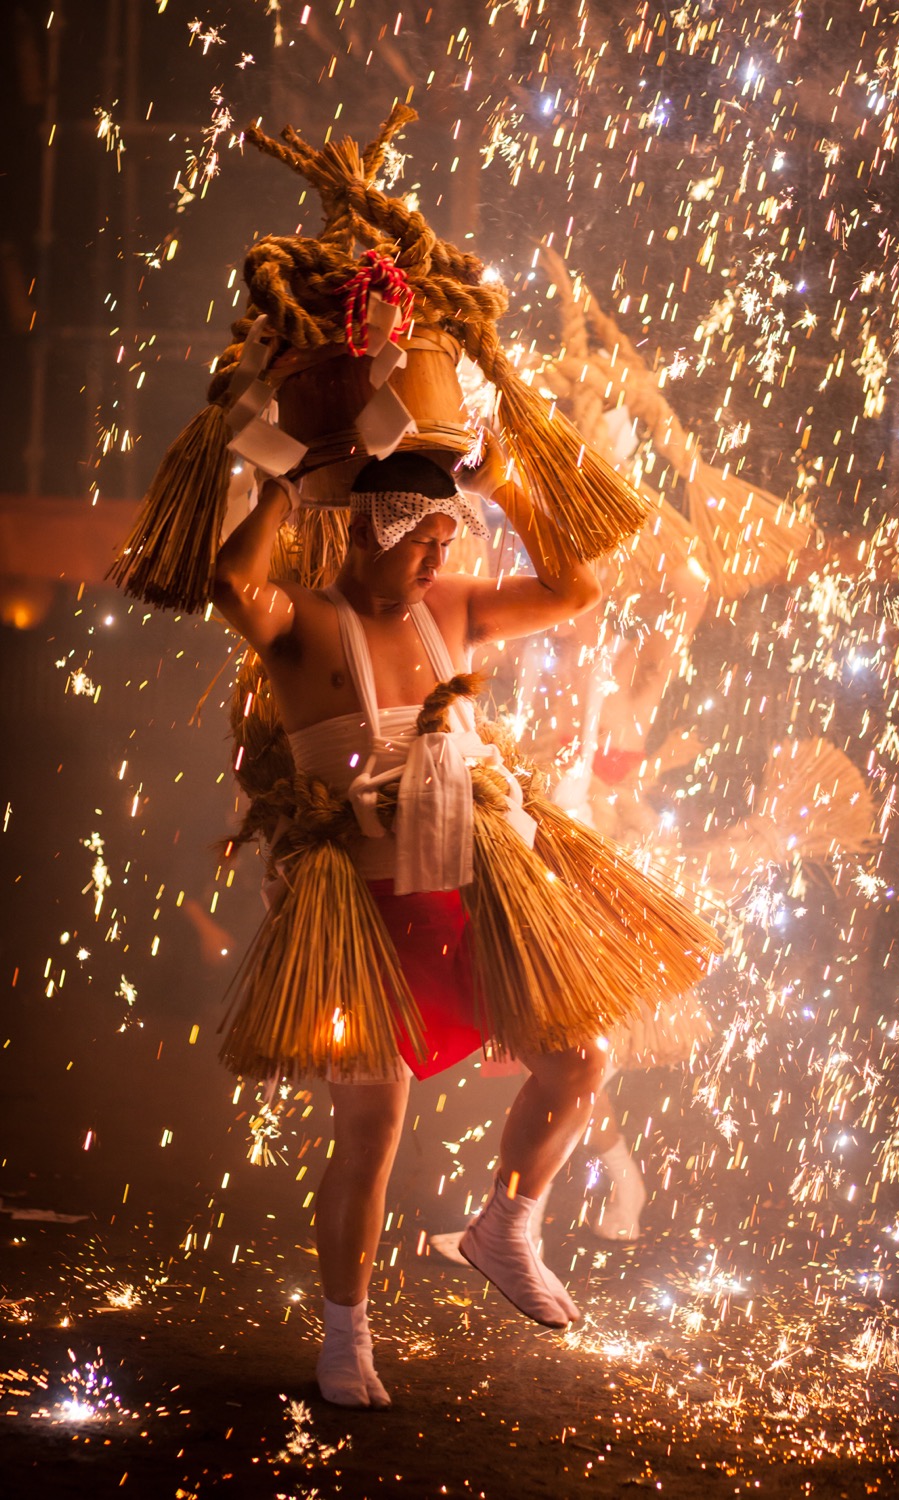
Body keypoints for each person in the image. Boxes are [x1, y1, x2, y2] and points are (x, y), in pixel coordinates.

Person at [211, 449, 611, 1409]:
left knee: (579, 1059)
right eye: (419, 542)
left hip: (474, 886)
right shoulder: (305, 623)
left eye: (446, 540)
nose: (437, 560)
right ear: (363, 530)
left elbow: (575, 584)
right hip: (358, 904)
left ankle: (507, 1226)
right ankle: (344, 1333)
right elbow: (231, 581)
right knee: (371, 1126)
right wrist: (281, 478)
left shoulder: (455, 610)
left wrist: (501, 482)